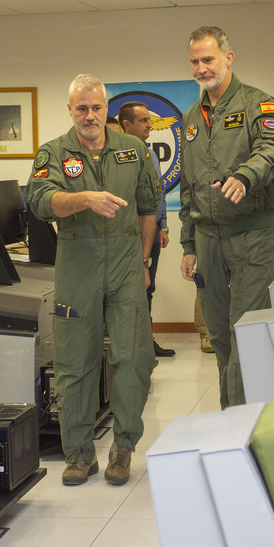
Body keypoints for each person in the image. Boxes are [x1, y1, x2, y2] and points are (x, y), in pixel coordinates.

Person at [27, 74, 161, 486]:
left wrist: (142, 258)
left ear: (107, 108)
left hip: (124, 265)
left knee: (131, 360)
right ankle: (79, 454)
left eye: (96, 107)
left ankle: (122, 448)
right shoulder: (53, 152)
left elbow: (148, 207)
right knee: (74, 364)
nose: (89, 115)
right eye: (81, 108)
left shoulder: (134, 150)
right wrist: (83, 198)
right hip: (78, 266)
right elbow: (39, 201)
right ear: (70, 110)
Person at [177, 26, 274, 409]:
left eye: (208, 59)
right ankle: (235, 411)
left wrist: (245, 176)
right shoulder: (191, 117)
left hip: (251, 236)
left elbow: (273, 149)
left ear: (228, 57)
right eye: (195, 61)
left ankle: (244, 418)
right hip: (207, 241)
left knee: (246, 331)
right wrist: (189, 244)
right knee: (220, 335)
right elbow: (188, 187)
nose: (201, 68)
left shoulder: (259, 103)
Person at [118, 101, 174, 358]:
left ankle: (145, 341)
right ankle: (129, 344)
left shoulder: (150, 154)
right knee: (127, 291)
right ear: (126, 124)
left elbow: (158, 192)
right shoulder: (114, 155)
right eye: (143, 120)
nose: (150, 124)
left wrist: (163, 225)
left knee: (148, 287)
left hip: (151, 232)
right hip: (127, 234)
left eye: (150, 120)